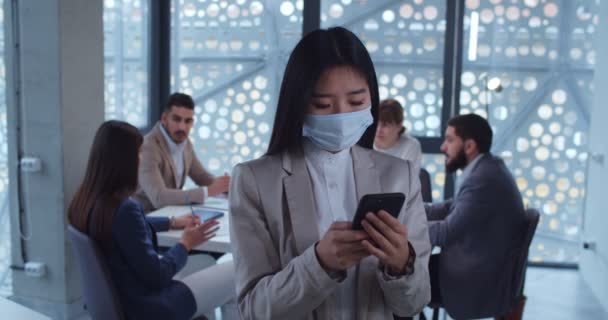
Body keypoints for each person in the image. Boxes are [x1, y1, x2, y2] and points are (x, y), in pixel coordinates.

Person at [229, 27, 431, 320]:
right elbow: (255, 310)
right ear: (297, 103)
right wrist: (319, 264)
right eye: (322, 104)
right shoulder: (254, 181)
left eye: (356, 102)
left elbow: (414, 303)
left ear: (371, 98)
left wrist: (402, 265)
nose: (340, 116)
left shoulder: (401, 175)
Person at [68, 120, 238, 320]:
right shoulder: (125, 209)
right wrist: (185, 244)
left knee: (206, 261)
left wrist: (171, 222)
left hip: (126, 300)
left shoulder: (85, 201)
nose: (141, 158)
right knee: (238, 274)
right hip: (151, 308)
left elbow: (124, 229)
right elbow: (157, 276)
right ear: (125, 160)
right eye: (139, 152)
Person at [424, 114, 526, 319]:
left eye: (450, 140)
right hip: (479, 266)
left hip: (473, 279)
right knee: (400, 274)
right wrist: (413, 210)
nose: (443, 147)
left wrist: (402, 228)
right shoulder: (487, 168)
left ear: (469, 146)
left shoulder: (483, 179)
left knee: (396, 280)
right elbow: (451, 207)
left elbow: (445, 233)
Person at [134, 93, 230, 213]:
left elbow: (201, 176)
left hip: (171, 214)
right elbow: (159, 197)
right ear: (164, 119)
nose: (182, 127)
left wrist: (225, 185)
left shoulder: (184, 142)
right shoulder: (148, 147)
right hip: (147, 218)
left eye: (187, 121)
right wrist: (208, 191)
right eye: (176, 119)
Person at [374, 99, 422, 171]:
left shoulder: (410, 146)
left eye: (385, 125)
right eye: (376, 123)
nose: (378, 129)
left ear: (399, 126)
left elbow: (407, 179)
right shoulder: (362, 142)